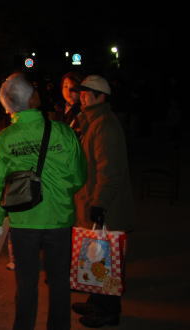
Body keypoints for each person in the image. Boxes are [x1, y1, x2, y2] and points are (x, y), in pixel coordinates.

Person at [0, 73, 86, 330]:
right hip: (59, 220)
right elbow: (79, 176)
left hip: (24, 222)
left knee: (26, 283)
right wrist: (60, 193)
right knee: (60, 282)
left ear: (8, 106)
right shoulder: (63, 132)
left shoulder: (4, 140)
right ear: (34, 98)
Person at [70, 75, 134, 328]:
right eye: (81, 93)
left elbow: (110, 170)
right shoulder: (92, 121)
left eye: (87, 93)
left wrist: (100, 203)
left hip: (107, 206)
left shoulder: (104, 125)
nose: (82, 96)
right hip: (94, 200)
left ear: (101, 97)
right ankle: (96, 301)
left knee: (105, 258)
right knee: (95, 257)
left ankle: (108, 310)